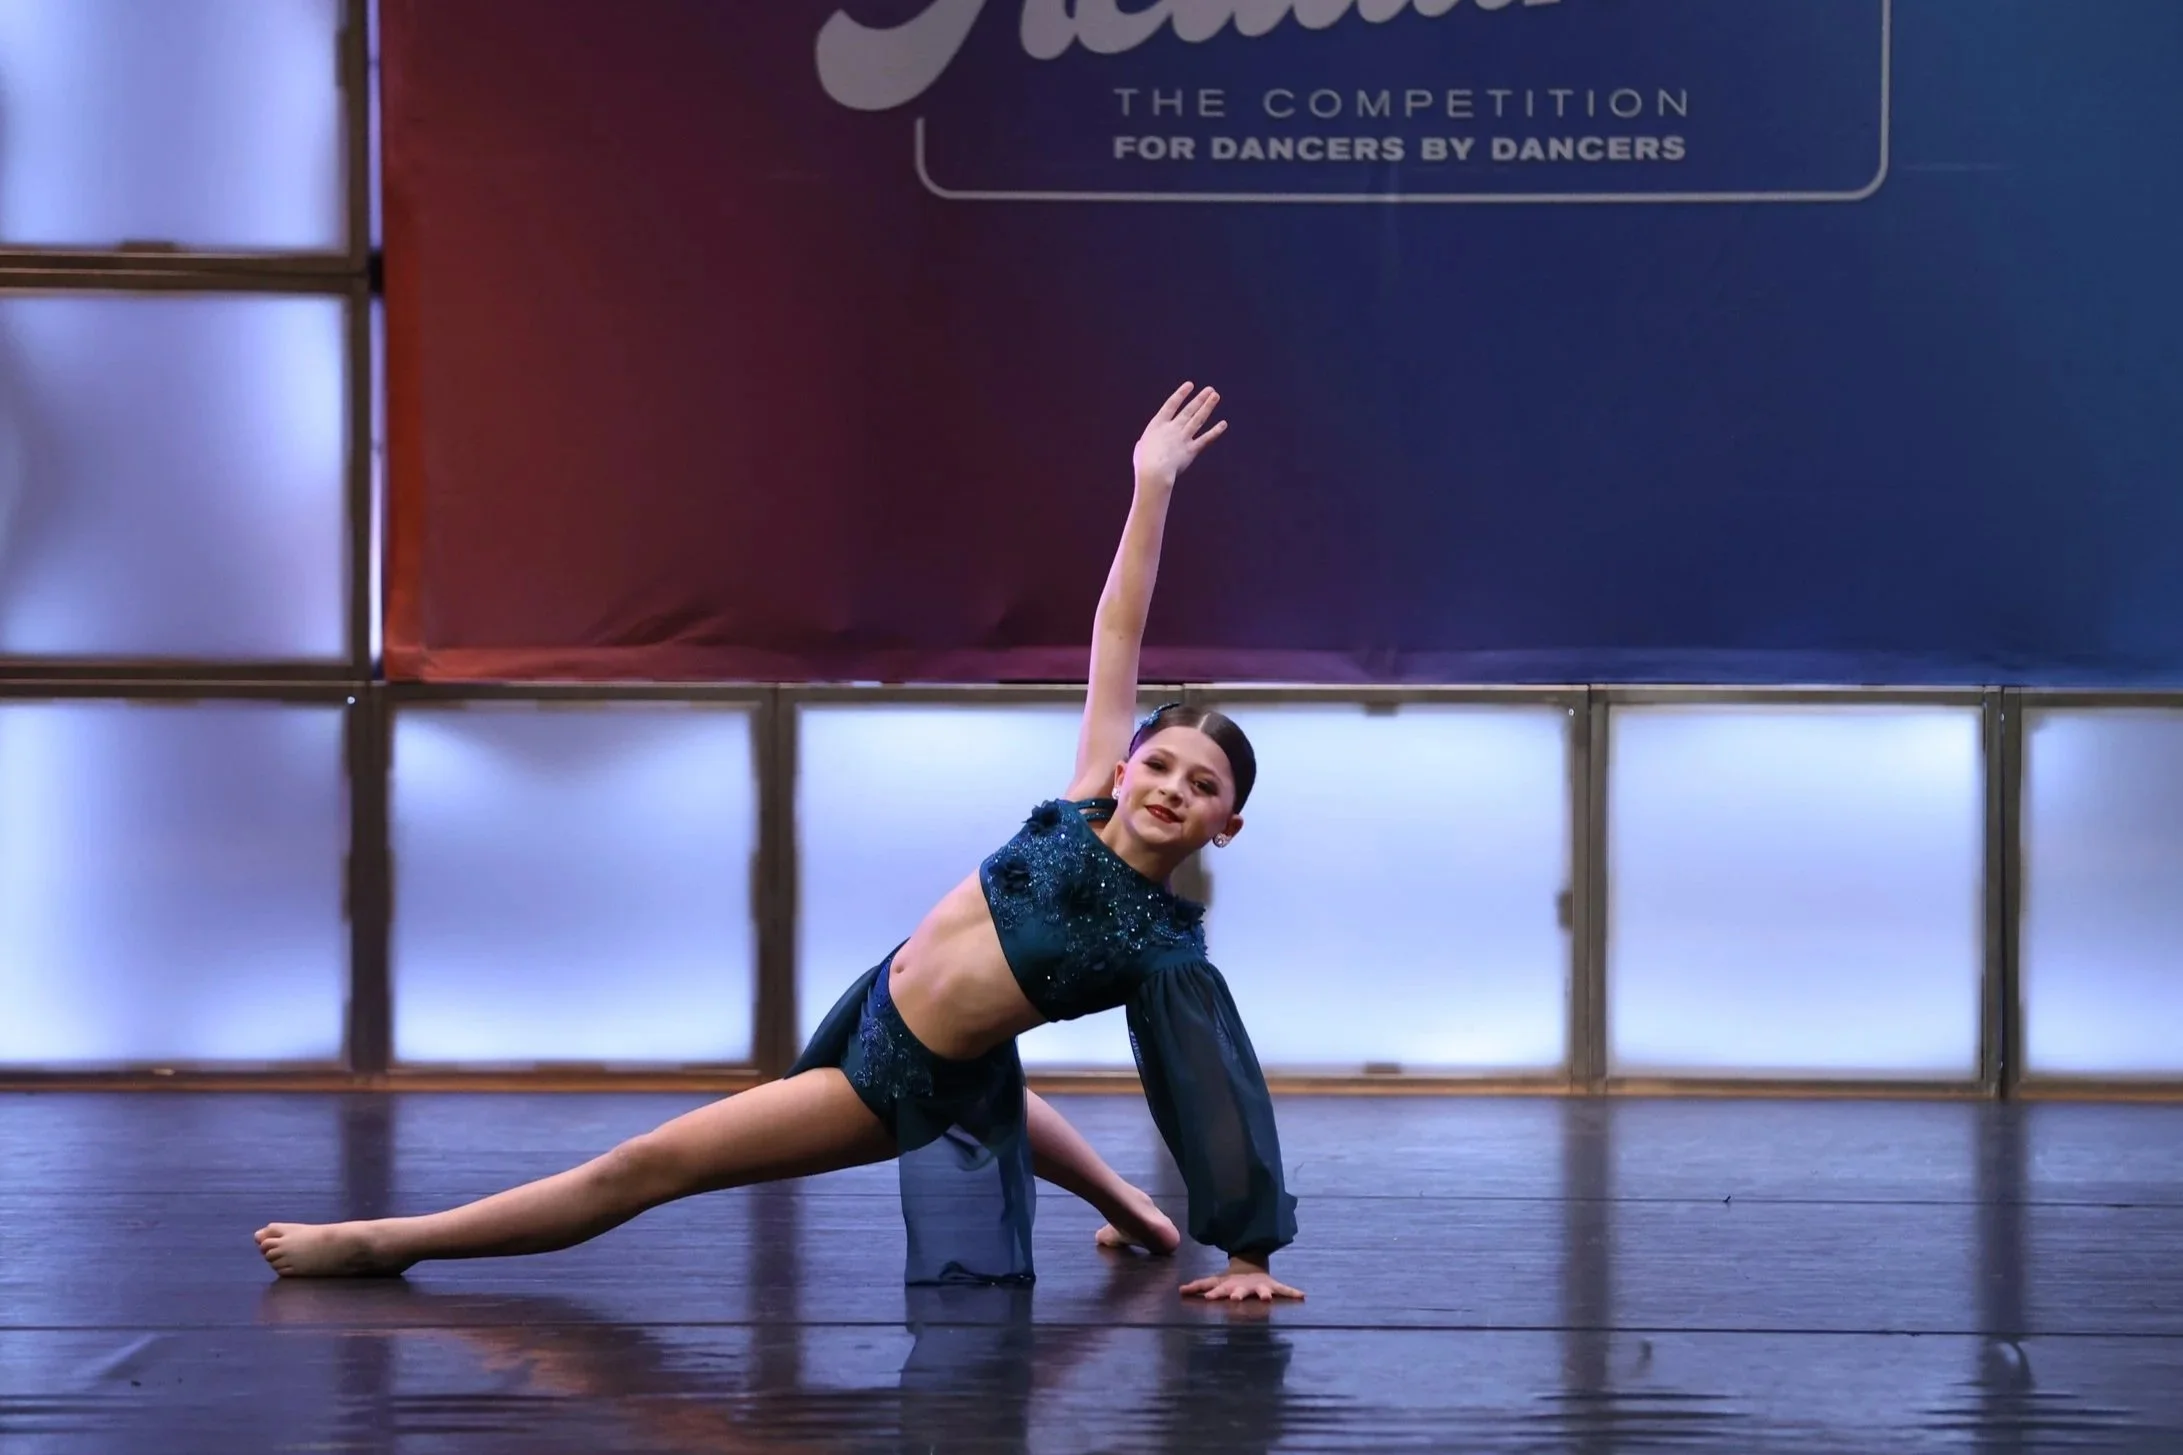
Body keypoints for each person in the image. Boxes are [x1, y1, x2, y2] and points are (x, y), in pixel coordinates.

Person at [255, 383, 1302, 1301]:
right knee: (1003, 1087)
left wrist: (1247, 1253)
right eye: (1159, 764)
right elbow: (1114, 631)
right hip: (874, 1000)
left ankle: (382, 1241)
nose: (1169, 787)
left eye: (1200, 786)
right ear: (1125, 767)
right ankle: (1132, 1213)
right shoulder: (1082, 797)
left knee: (647, 1164)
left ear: (1226, 823)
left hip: (898, 1077)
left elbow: (1211, 1090)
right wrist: (1150, 485)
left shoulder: (1162, 949)